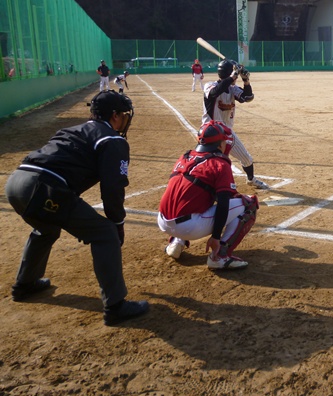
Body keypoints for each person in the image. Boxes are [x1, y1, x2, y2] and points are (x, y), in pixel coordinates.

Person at [4, 90, 149, 326]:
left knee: (47, 229)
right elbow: (113, 188)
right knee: (104, 233)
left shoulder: (73, 129)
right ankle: (115, 306)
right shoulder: (112, 139)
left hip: (16, 184)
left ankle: (25, 284)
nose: (125, 119)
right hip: (44, 188)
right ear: (114, 116)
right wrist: (117, 224)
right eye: (123, 114)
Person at [157, 120, 259, 268]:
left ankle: (176, 242)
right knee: (249, 204)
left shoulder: (185, 157)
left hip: (163, 221)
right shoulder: (219, 163)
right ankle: (219, 256)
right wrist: (216, 236)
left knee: (193, 194)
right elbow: (224, 202)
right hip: (189, 227)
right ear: (219, 144)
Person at [202, 59, 269, 190]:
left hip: (227, 132)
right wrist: (232, 76)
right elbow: (215, 92)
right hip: (210, 131)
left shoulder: (232, 89)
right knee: (209, 161)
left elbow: (247, 97)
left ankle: (251, 179)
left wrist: (246, 80)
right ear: (229, 74)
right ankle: (205, 184)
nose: (236, 78)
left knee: (247, 159)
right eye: (235, 76)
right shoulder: (210, 86)